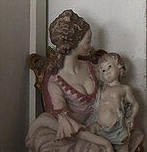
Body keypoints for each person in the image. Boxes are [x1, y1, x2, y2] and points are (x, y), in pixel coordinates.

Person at [26, 10, 143, 151]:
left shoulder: (92, 68)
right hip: (74, 135)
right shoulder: (54, 80)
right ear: (73, 44)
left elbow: (113, 87)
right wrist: (104, 143)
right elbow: (69, 125)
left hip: (100, 126)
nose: (91, 45)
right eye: (87, 41)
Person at [88, 53, 140, 148]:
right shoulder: (101, 89)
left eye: (109, 67)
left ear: (119, 66)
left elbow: (135, 104)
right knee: (88, 134)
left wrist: (132, 117)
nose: (107, 72)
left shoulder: (124, 89)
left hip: (116, 128)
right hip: (99, 126)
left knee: (122, 147)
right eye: (103, 70)